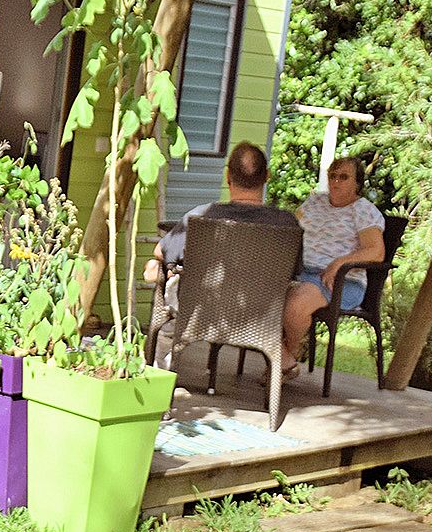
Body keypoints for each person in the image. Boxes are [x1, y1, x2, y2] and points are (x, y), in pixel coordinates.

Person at [145, 140, 299, 318]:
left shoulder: (201, 217)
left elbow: (161, 252)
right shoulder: (287, 224)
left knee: (157, 268)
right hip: (259, 320)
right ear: (267, 176)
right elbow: (294, 272)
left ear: (228, 176)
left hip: (203, 315)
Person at [282, 155, 386, 377]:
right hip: (301, 272)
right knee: (257, 294)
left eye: (344, 177)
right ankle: (286, 359)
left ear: (357, 183)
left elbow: (376, 251)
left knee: (295, 305)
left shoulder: (363, 210)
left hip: (341, 281)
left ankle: (285, 359)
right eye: (333, 176)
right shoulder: (314, 202)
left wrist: (339, 263)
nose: (336, 182)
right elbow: (290, 231)